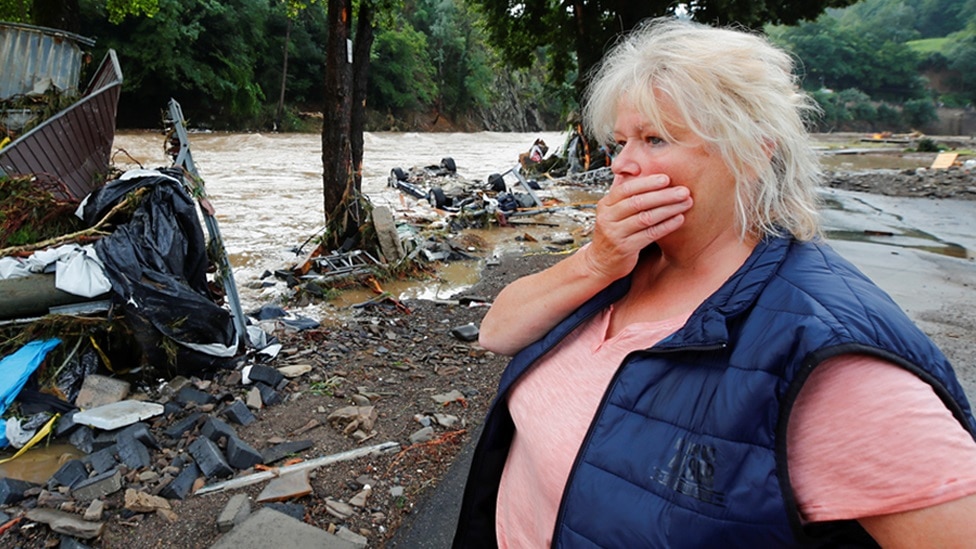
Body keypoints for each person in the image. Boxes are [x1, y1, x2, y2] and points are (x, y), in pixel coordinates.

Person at [453, 17, 976, 548]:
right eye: (621, 142)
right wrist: (596, 262)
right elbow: (497, 332)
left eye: (655, 139)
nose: (623, 166)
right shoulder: (626, 262)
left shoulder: (828, 353)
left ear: (752, 151)